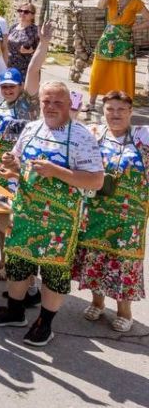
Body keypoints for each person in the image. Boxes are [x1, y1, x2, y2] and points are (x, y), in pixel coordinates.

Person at [0, 82, 105, 347]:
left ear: (69, 105)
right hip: (25, 214)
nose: (50, 107)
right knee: (17, 265)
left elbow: (96, 181)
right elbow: (19, 163)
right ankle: (15, 312)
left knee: (53, 274)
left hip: (59, 223)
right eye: (46, 102)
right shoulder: (31, 128)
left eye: (57, 103)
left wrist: (57, 171)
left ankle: (45, 324)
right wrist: (11, 165)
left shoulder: (81, 136)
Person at [73, 90, 147, 334]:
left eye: (121, 110)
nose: (115, 114)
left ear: (130, 112)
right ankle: (97, 302)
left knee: (124, 261)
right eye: (110, 109)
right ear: (103, 111)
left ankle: (125, 312)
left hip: (130, 216)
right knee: (94, 255)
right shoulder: (94, 134)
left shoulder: (142, 136)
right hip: (96, 210)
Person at [87, 0, 149, 111]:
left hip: (125, 41)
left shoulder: (136, 2)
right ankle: (91, 102)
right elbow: (100, 6)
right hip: (108, 38)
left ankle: (124, 106)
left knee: (122, 71)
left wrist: (134, 28)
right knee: (99, 68)